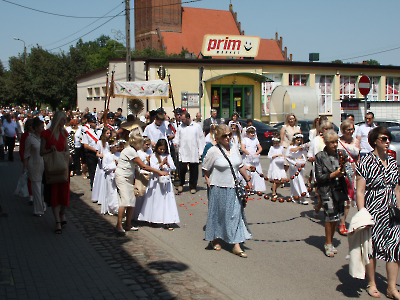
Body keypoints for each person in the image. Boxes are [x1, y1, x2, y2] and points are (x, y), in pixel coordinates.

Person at [356, 127, 400, 299]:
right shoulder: (366, 162)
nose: (387, 141)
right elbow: (360, 191)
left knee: (395, 248)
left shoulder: (393, 162)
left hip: (391, 212)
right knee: (371, 248)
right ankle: (372, 283)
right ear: (375, 141)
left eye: (389, 138)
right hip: (373, 210)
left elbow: (397, 188)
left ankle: (391, 288)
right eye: (383, 138)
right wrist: (361, 213)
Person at [202, 124, 253, 257]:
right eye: (225, 135)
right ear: (218, 136)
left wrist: (247, 180)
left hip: (234, 187)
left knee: (235, 214)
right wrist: (208, 180)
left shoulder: (234, 147)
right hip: (218, 187)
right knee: (218, 215)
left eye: (230, 134)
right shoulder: (213, 151)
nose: (228, 137)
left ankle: (236, 244)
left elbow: (240, 165)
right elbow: (205, 168)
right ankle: (214, 238)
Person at [114, 127, 168, 233]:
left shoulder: (132, 150)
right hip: (122, 177)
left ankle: (128, 224)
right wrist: (159, 171)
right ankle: (119, 225)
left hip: (129, 177)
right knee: (124, 201)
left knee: (131, 201)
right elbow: (143, 166)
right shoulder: (130, 151)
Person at [315, 130, 348, 257]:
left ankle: (331, 241)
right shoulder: (320, 156)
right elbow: (319, 177)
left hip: (339, 189)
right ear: (326, 142)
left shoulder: (341, 154)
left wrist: (345, 170)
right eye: (331, 142)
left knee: (337, 216)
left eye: (336, 142)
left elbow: (347, 170)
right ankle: (328, 244)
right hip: (326, 189)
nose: (334, 145)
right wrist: (333, 174)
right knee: (330, 216)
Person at [138, 139, 180, 229]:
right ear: (157, 148)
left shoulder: (168, 155)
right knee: (156, 200)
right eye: (160, 149)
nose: (162, 151)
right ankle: (154, 219)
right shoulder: (153, 156)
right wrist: (161, 163)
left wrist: (168, 164)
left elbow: (173, 167)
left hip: (165, 181)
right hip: (156, 181)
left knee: (166, 201)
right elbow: (152, 167)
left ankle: (167, 220)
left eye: (163, 149)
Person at [40, 111, 70, 234]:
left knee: (64, 195)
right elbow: (41, 152)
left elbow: (67, 149)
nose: (65, 122)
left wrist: (68, 155)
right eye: (64, 120)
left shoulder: (64, 133)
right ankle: (57, 221)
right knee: (54, 195)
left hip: (63, 167)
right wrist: (50, 150)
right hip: (52, 168)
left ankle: (62, 213)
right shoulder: (46, 134)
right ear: (58, 120)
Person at [337, 119, 360, 236]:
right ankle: (340, 222)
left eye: (352, 129)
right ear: (343, 130)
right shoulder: (338, 142)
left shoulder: (356, 141)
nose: (351, 131)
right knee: (342, 199)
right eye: (348, 129)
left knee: (348, 199)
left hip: (353, 174)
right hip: (341, 174)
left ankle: (342, 221)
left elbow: (358, 157)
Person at [175, 111, 205, 194]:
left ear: (188, 118)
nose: (182, 121)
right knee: (182, 168)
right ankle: (181, 184)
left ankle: (193, 186)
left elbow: (201, 138)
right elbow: (177, 137)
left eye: (183, 119)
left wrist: (201, 151)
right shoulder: (180, 127)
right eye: (181, 119)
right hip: (183, 150)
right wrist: (175, 143)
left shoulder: (196, 126)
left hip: (193, 150)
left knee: (194, 169)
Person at [23, 117, 45, 217]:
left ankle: (42, 205)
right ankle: (38, 210)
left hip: (43, 165)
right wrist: (25, 167)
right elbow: (26, 154)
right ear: (36, 127)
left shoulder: (43, 138)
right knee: (36, 188)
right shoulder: (30, 139)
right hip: (33, 164)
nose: (43, 129)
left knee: (42, 187)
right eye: (41, 127)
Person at [101, 139, 124, 216]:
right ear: (111, 147)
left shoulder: (118, 154)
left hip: (118, 175)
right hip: (109, 176)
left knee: (118, 192)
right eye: (116, 147)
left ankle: (118, 207)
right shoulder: (106, 155)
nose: (117, 148)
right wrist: (114, 165)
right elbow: (104, 167)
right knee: (111, 192)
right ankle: (112, 207)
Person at [286, 133, 309, 204]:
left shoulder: (301, 148)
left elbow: (304, 155)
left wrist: (304, 162)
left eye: (300, 140)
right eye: (297, 140)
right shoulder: (291, 147)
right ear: (294, 140)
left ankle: (302, 196)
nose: (299, 141)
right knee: (294, 181)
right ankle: (295, 196)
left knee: (300, 180)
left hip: (299, 166)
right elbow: (287, 157)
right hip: (294, 166)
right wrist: (293, 162)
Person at [241, 126, 266, 193]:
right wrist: (249, 154)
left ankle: (255, 187)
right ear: (247, 133)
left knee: (255, 173)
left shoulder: (255, 139)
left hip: (254, 159)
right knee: (247, 172)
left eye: (253, 133)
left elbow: (260, 148)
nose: (252, 134)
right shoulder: (245, 139)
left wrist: (256, 153)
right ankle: (247, 187)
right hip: (247, 158)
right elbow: (243, 148)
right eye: (251, 133)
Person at [91, 128, 111, 205]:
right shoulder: (99, 143)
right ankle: (98, 196)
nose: (108, 135)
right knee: (100, 179)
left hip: (108, 162)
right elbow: (97, 153)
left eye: (109, 133)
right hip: (101, 163)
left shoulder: (109, 142)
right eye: (107, 133)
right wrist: (101, 155)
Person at [82, 116, 100, 190]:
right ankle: (94, 187)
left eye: (95, 122)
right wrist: (95, 150)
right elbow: (85, 145)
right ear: (89, 123)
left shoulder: (99, 131)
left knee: (99, 171)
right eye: (93, 122)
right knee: (92, 171)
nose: (94, 123)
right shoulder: (87, 132)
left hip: (99, 153)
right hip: (91, 154)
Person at [267, 135, 286, 199]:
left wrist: (282, 157)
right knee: (276, 179)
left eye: (277, 143)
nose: (275, 144)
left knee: (282, 179)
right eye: (274, 143)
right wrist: (275, 156)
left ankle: (274, 188)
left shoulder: (281, 148)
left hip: (280, 164)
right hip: (274, 165)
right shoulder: (272, 148)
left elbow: (283, 155)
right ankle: (274, 192)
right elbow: (269, 156)